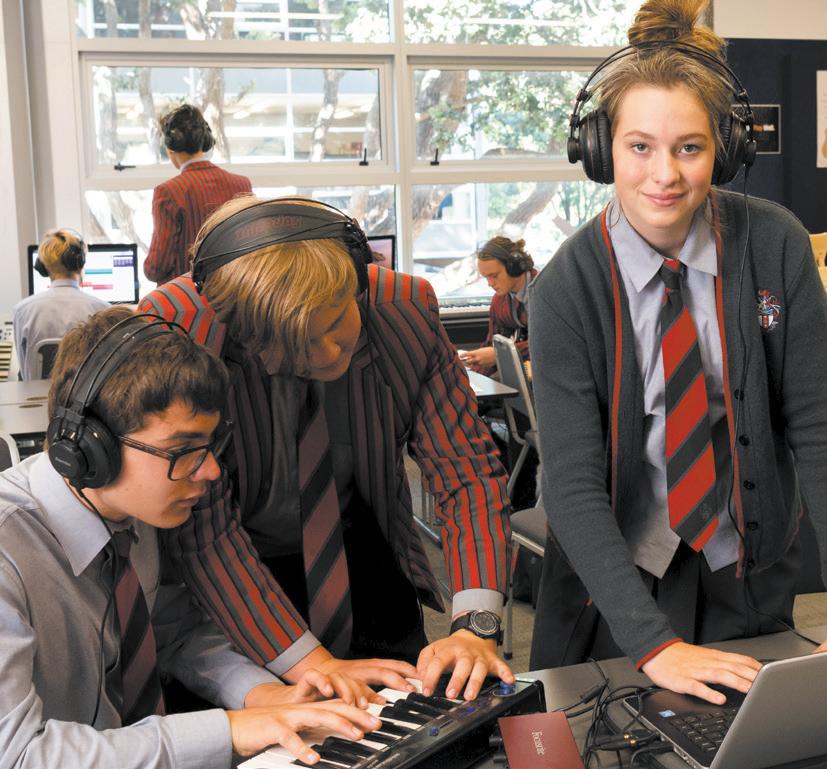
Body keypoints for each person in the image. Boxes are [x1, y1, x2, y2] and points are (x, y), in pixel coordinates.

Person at [529, 0, 827, 707]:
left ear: (724, 148)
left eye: (688, 148)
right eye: (639, 146)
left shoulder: (775, 244)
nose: (663, 174)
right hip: (612, 589)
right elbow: (570, 485)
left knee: (758, 741)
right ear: (600, 150)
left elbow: (818, 432)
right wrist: (653, 643)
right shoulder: (564, 288)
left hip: (744, 571)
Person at [139, 195, 514, 703]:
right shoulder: (180, 330)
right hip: (234, 568)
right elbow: (205, 532)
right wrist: (314, 665)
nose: (329, 353)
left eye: (337, 324)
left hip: (361, 546)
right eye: (294, 346)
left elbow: (466, 473)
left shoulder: (404, 309)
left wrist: (475, 625)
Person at [0, 305, 381, 769]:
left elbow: (168, 629)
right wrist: (231, 730)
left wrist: (260, 695)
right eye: (183, 449)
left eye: (210, 444)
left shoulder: (130, 513)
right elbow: (18, 755)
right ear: (89, 448)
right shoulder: (8, 551)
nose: (212, 471)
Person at [143, 104, 252, 285]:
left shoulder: (169, 192)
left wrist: (148, 268)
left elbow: (157, 267)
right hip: (233, 293)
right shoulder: (241, 184)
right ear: (205, 141)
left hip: (185, 296)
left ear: (170, 148)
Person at [13, 228, 108, 380]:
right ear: (80, 262)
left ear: (44, 268)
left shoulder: (22, 310)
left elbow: (25, 373)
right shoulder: (103, 309)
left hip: (37, 394)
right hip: (87, 395)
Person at [459, 237, 536, 378]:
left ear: (514, 267)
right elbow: (492, 344)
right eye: (486, 277)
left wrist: (499, 355)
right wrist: (470, 378)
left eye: (494, 276)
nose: (490, 283)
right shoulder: (499, 301)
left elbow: (552, 342)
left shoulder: (545, 292)